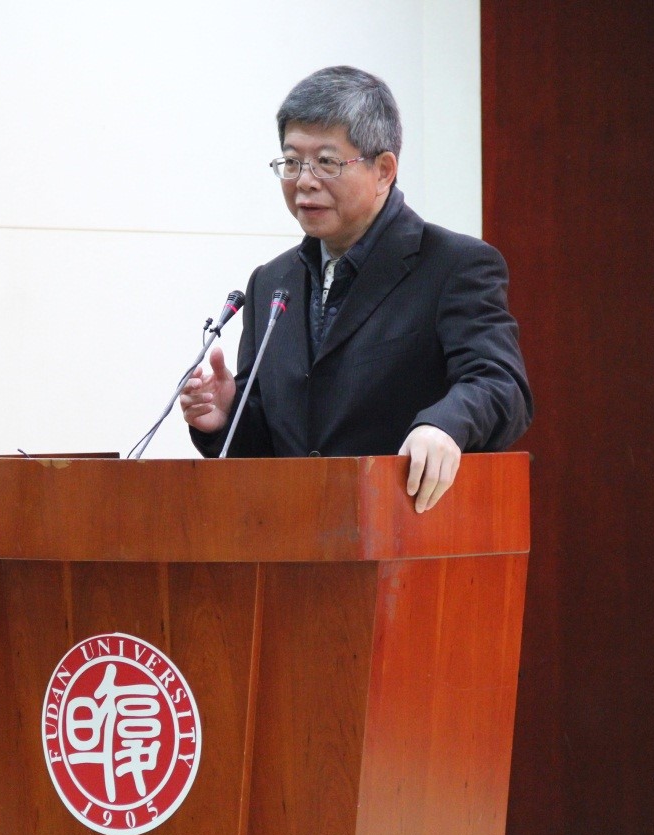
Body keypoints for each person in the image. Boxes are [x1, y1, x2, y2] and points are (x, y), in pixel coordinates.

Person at [180, 66, 531, 513]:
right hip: (295, 535)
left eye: (326, 162)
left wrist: (443, 426)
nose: (304, 180)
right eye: (292, 161)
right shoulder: (271, 282)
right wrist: (226, 416)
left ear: (383, 170)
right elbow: (267, 449)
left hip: (409, 529)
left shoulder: (453, 265)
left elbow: (501, 385)